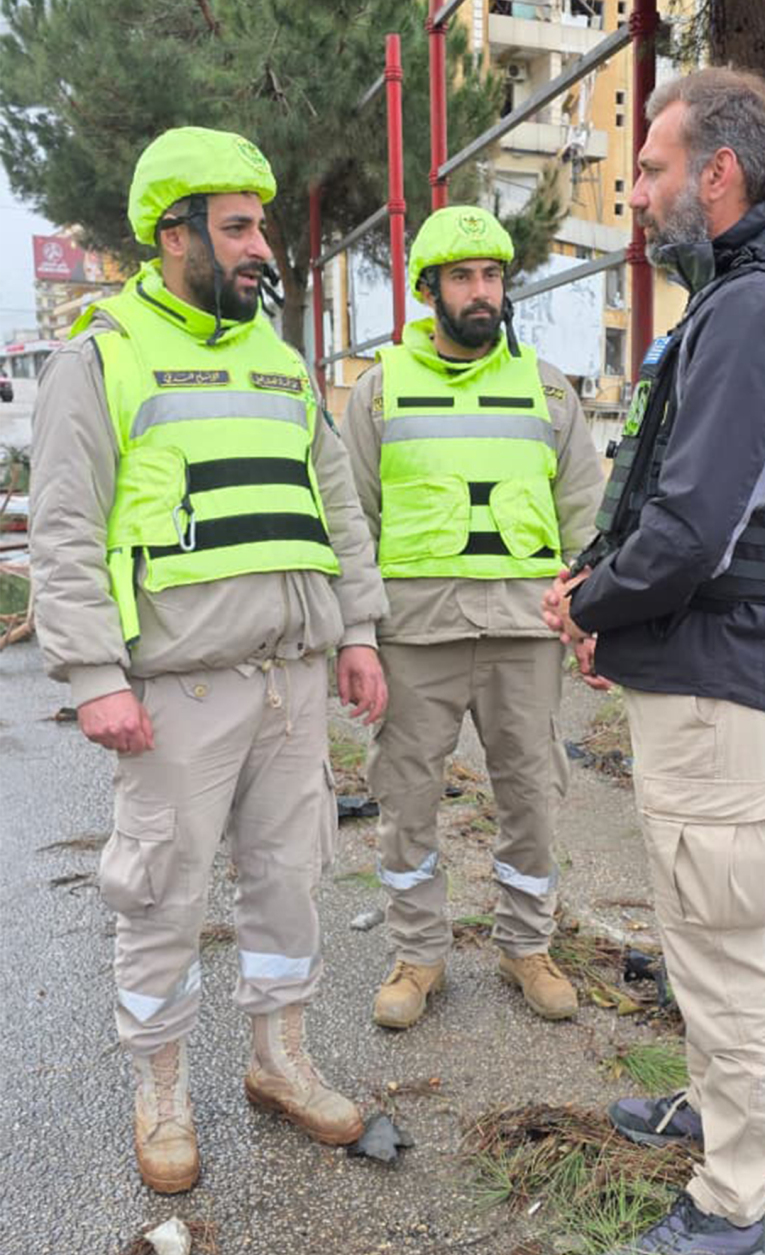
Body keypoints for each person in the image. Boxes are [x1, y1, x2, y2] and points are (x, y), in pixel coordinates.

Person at [29, 126, 389, 1194]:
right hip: (174, 691)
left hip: (289, 683)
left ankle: (278, 1059)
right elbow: (62, 528)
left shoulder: (284, 365)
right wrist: (93, 676)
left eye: (261, 225)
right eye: (236, 227)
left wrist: (358, 635)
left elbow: (338, 511)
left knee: (290, 882)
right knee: (162, 895)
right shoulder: (101, 357)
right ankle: (162, 1088)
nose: (259, 246)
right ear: (171, 232)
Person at [543, 69, 765, 1255]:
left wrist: (589, 603)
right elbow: (667, 503)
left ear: (716, 175)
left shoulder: (760, 310)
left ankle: (732, 1202)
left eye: (655, 172)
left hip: (725, 679)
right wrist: (603, 597)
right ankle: (715, 1108)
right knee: (697, 918)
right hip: (706, 666)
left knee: (724, 941)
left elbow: (692, 531)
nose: (639, 198)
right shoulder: (743, 300)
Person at [341, 205, 604, 1030]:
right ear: (429, 290)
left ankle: (527, 944)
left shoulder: (550, 390)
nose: (481, 291)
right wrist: (356, 636)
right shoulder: (379, 392)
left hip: (527, 633)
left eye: (492, 275)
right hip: (417, 633)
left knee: (532, 792)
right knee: (407, 794)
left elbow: (587, 520)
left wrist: (593, 616)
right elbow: (353, 520)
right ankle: (419, 955)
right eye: (463, 276)